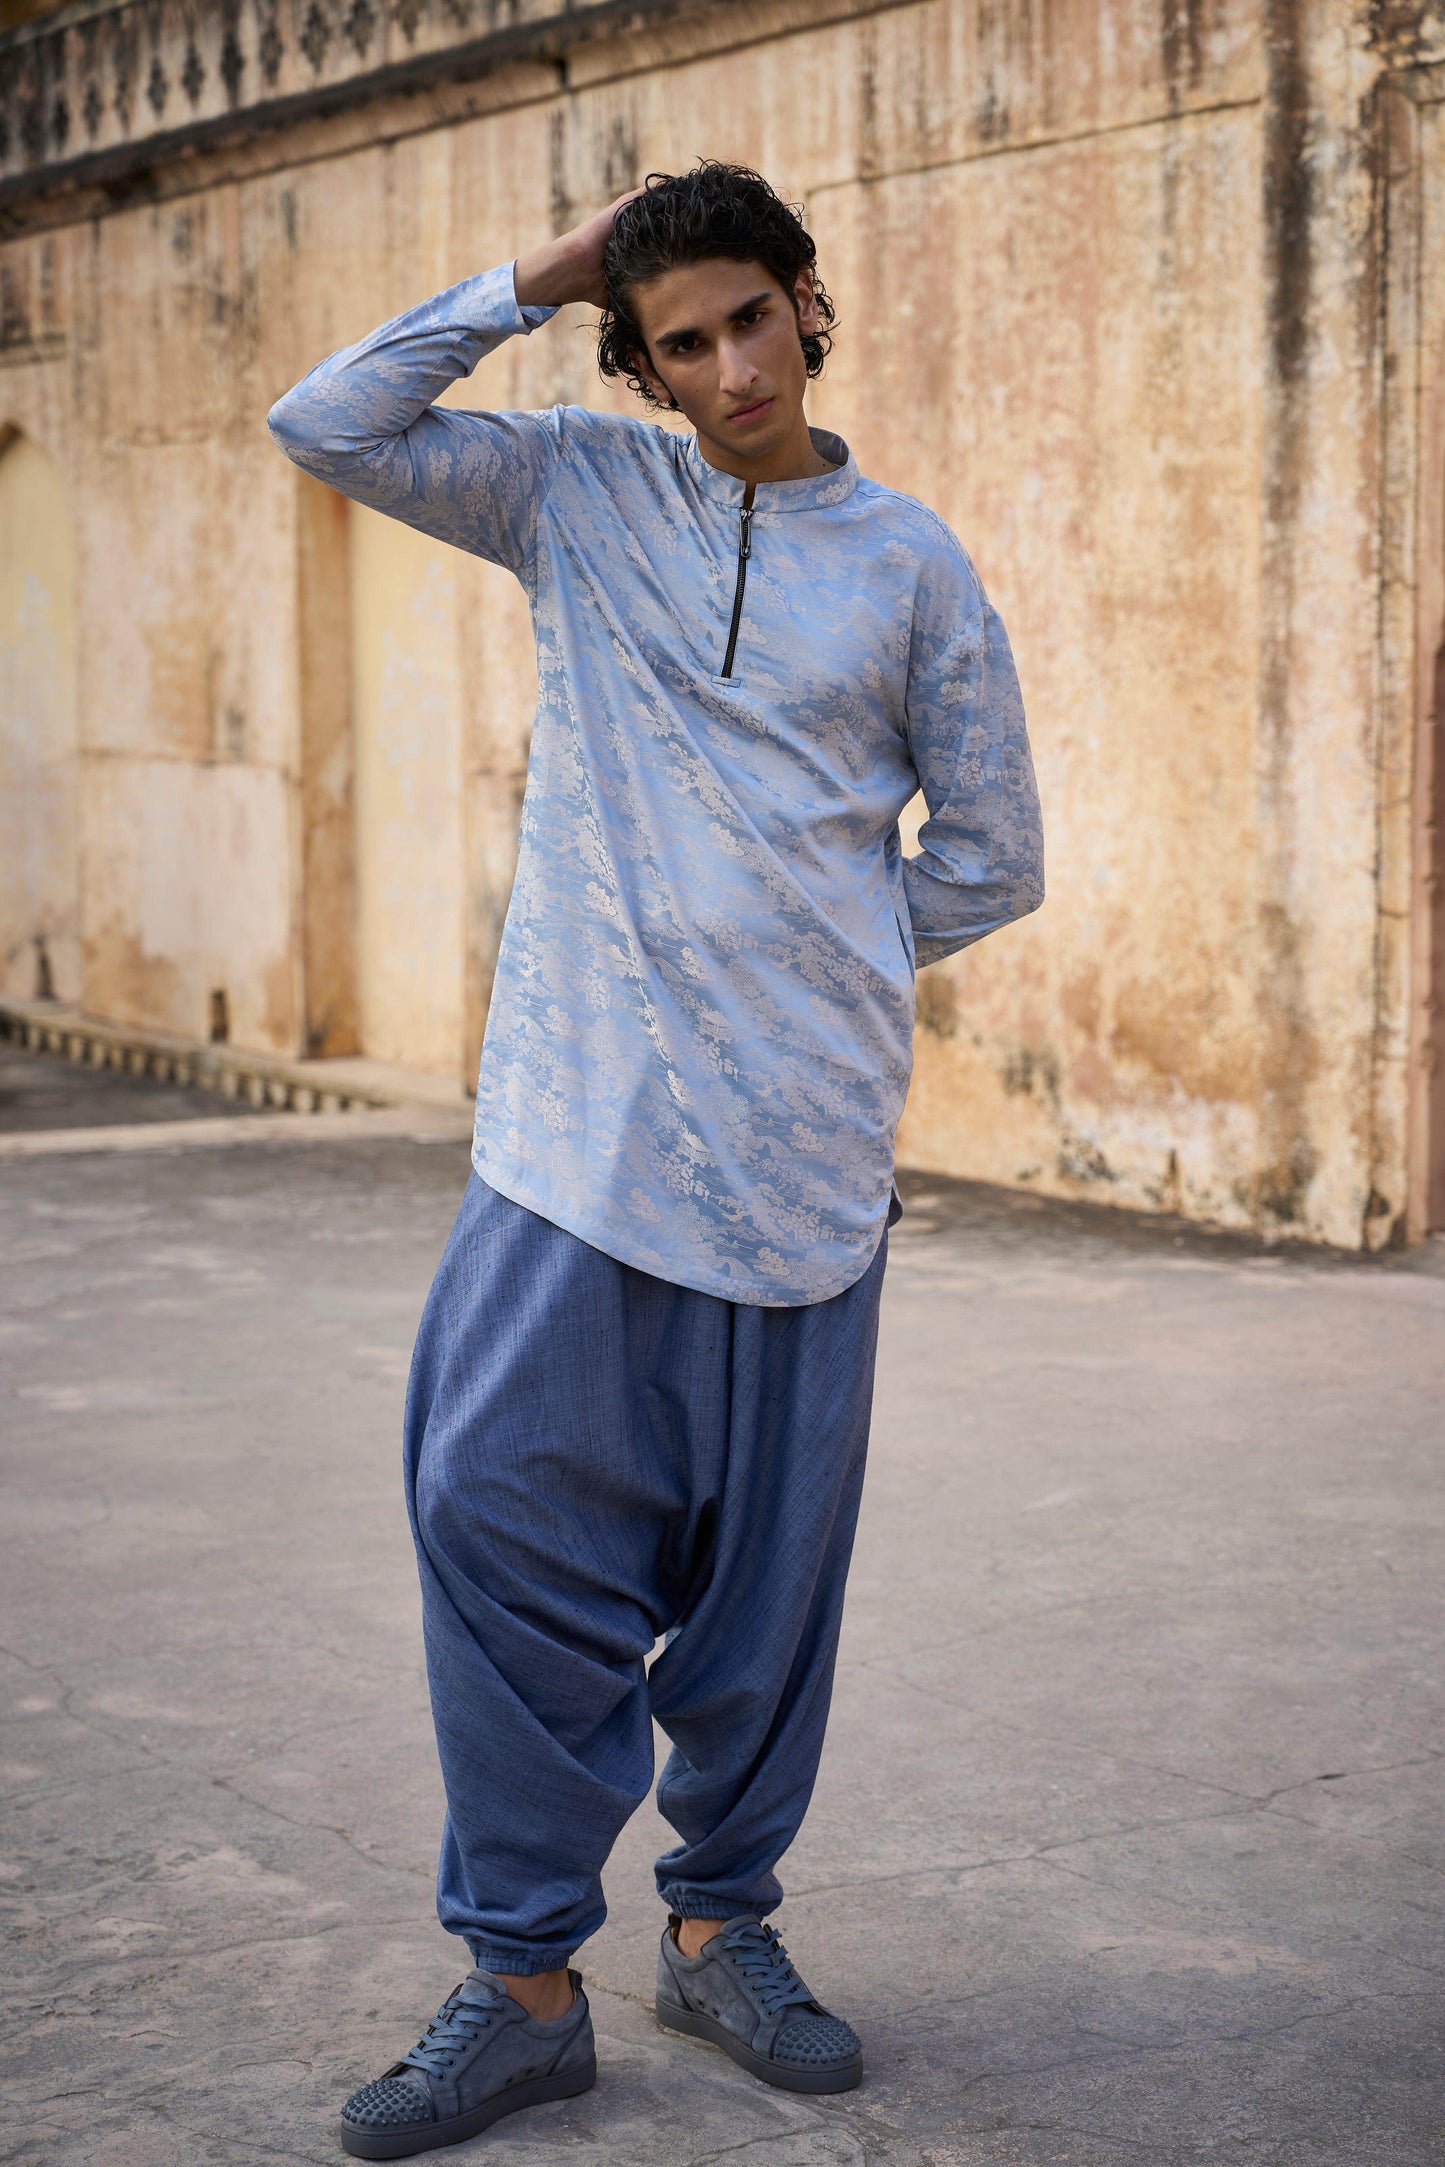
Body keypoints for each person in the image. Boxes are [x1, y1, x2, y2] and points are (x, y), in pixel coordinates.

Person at [269, 159, 1043, 2161]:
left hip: (802, 1164)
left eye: (750, 320)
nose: (728, 371)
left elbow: (992, 850)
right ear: (640, 361)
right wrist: (537, 274)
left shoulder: (909, 563)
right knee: (488, 1510)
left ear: (808, 305)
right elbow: (326, 422)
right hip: (577, 1140)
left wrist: (816, 955)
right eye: (679, 341)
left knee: (761, 1591)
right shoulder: (573, 492)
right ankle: (526, 1985)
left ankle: (720, 1928)